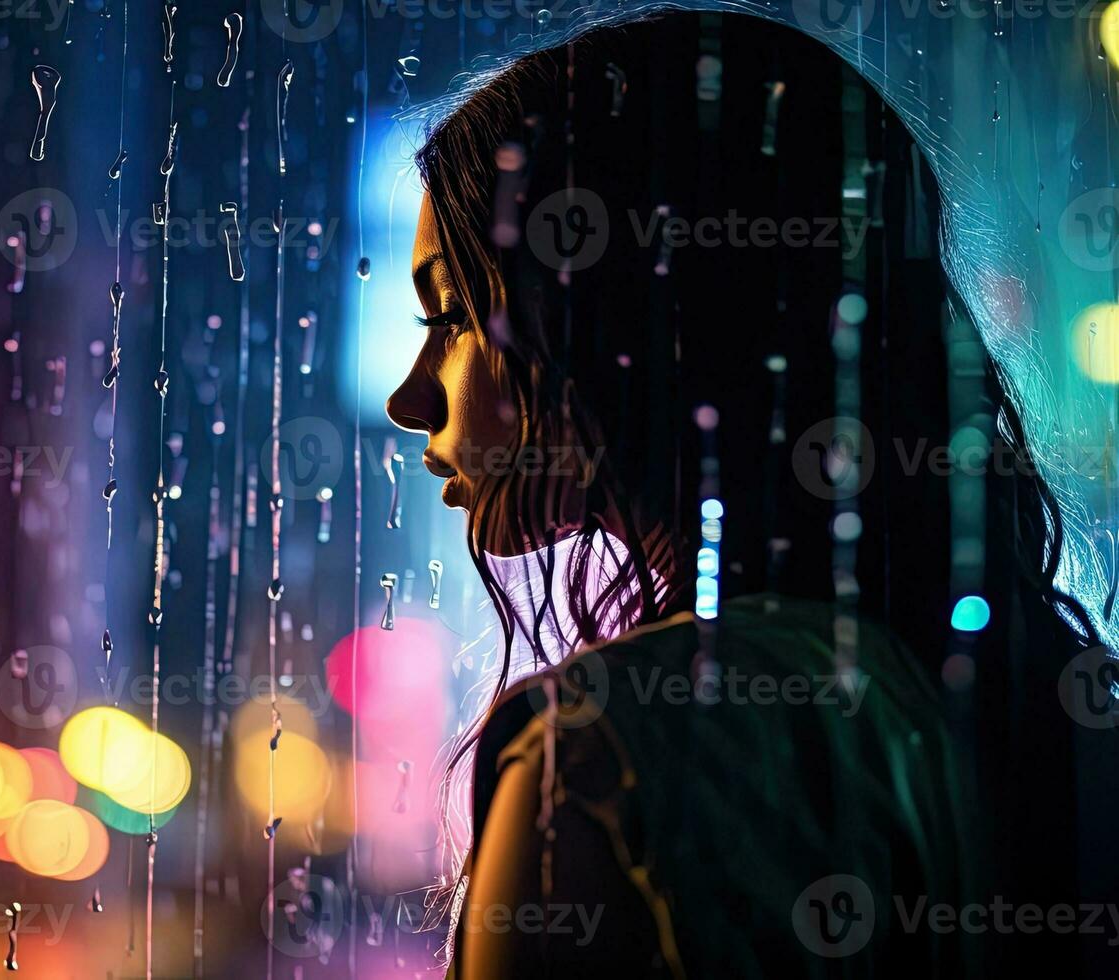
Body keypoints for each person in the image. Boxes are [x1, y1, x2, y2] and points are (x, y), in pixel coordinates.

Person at [379, 18, 1075, 977]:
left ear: (619, 309)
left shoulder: (602, 759)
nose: (409, 397)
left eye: (451, 314)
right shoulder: (1005, 723)